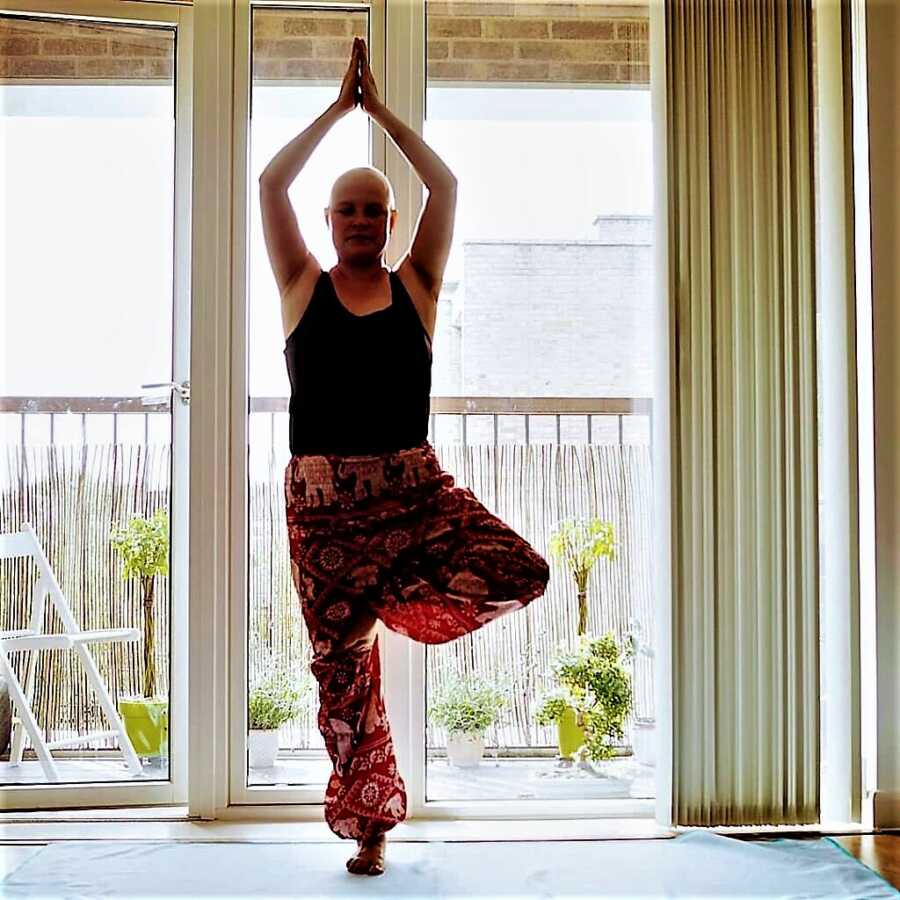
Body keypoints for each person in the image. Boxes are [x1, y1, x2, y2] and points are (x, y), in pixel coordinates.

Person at [259, 37, 551, 877]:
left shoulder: (417, 285)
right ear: (329, 223)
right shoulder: (299, 286)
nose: (358, 220)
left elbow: (447, 185)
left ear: (391, 224)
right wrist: (334, 110)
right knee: (341, 685)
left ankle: (388, 606)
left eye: (372, 210)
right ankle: (371, 826)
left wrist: (380, 112)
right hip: (323, 511)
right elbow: (270, 183)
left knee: (519, 570)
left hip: (412, 494)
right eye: (345, 209)